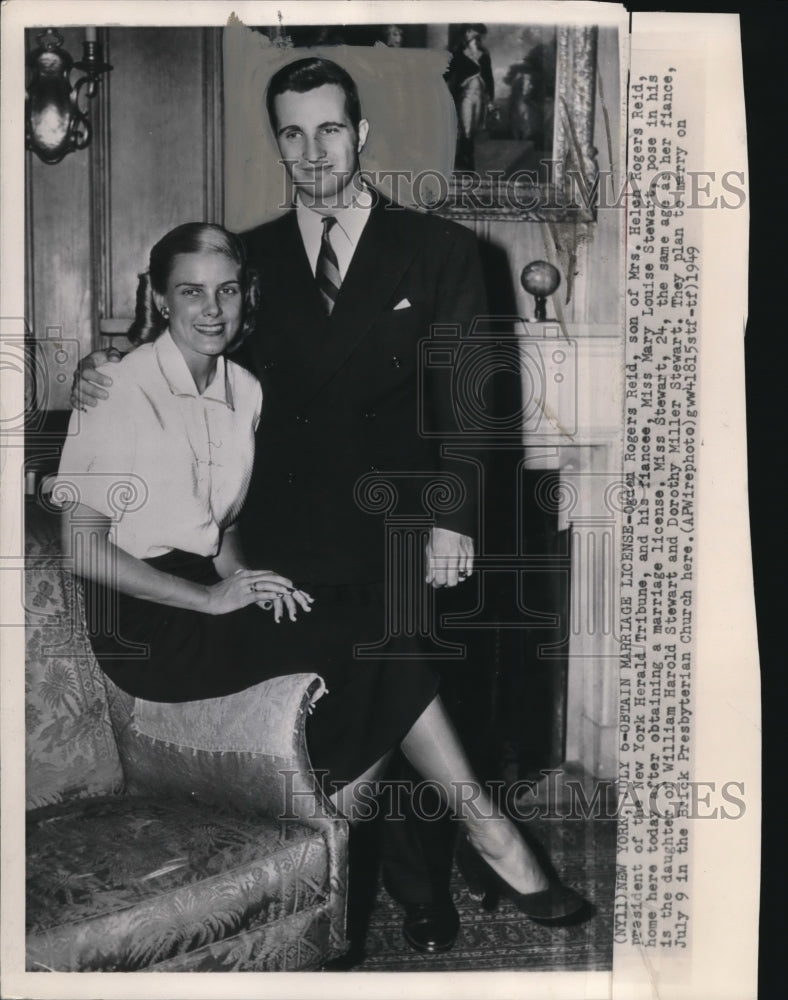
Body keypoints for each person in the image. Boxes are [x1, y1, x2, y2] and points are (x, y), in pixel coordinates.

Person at [72, 57, 584, 955]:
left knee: (414, 667)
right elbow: (178, 353)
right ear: (278, 142)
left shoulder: (440, 248)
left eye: (331, 129)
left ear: (362, 135)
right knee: (357, 682)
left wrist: (457, 515)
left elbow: (472, 401)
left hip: (405, 522)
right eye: (294, 133)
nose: (314, 151)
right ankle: (452, 853)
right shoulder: (248, 257)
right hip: (276, 532)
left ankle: (431, 887)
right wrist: (96, 370)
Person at [446, 24, 496, 171]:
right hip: (465, 96)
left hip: (479, 97)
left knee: (473, 129)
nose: (467, 34)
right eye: (466, 31)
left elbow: (489, 77)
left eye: (470, 31)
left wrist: (491, 99)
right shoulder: (459, 53)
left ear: (476, 33)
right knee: (466, 128)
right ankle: (468, 159)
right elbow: (447, 72)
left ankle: (463, 156)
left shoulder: (484, 54)